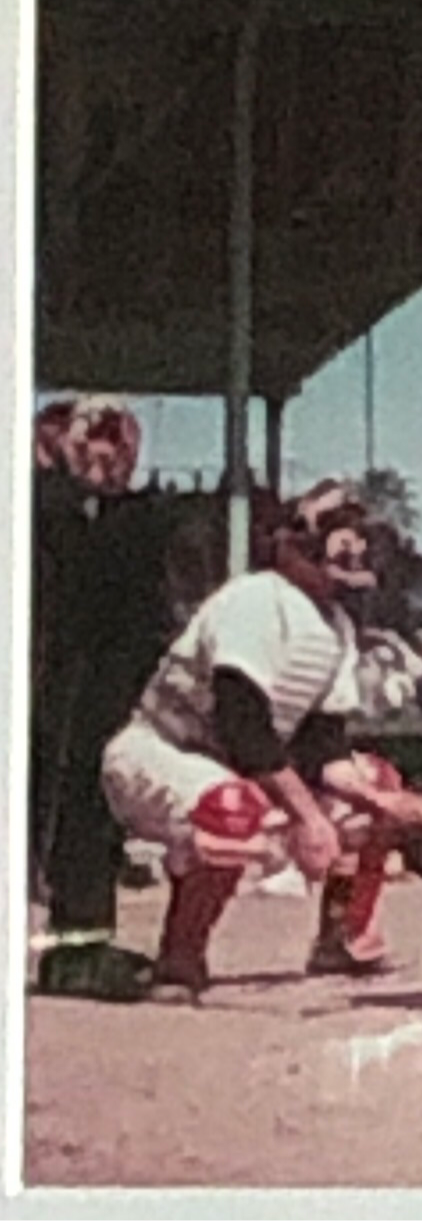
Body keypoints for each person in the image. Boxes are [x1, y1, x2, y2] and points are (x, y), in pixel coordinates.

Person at [100, 480, 422, 996]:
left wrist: (394, 804)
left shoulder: (334, 624)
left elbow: (324, 748)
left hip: (235, 765)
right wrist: (308, 818)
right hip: (161, 753)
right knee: (231, 808)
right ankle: (180, 960)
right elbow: (242, 722)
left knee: (374, 780)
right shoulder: (257, 599)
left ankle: (341, 939)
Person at [31, 398, 177, 1002]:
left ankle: (78, 948)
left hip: (91, 674)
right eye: (90, 434)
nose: (105, 448)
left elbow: (133, 564)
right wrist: (62, 470)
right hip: (47, 665)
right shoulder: (39, 499)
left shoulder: (123, 514)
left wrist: (105, 480)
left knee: (90, 806)